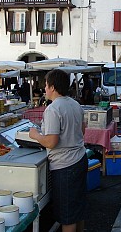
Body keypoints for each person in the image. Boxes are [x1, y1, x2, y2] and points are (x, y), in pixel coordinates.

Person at [29, 69, 87, 232]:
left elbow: (51, 142)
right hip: (80, 158)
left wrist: (36, 135)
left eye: (46, 85)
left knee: (67, 215)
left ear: (53, 87)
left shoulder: (53, 109)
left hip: (65, 165)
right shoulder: (75, 104)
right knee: (78, 209)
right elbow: (82, 130)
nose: (45, 89)